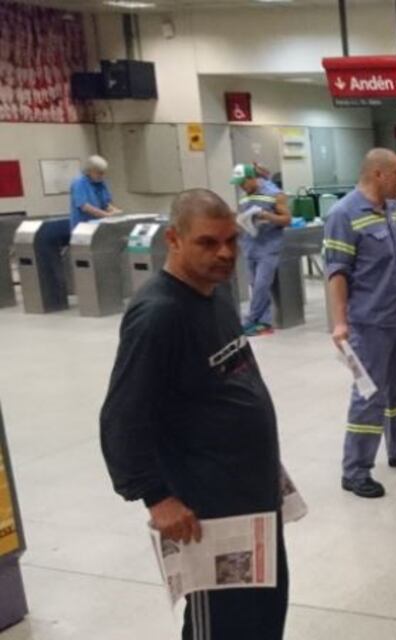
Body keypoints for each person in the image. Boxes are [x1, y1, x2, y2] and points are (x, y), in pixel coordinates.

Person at [100, 189, 288, 640]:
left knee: (262, 619)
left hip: (252, 499)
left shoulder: (216, 293)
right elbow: (121, 417)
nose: (224, 253)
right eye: (208, 242)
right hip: (210, 513)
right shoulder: (159, 315)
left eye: (231, 240)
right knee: (221, 625)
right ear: (174, 239)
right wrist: (156, 497)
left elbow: (233, 379)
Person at [323, 148, 396, 499]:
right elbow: (336, 272)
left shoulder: (392, 210)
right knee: (369, 395)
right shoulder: (344, 214)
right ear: (378, 174)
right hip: (367, 322)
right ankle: (356, 469)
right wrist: (339, 322)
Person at [231, 163, 292, 337]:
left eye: (243, 183)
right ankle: (264, 323)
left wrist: (268, 216)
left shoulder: (274, 194)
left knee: (261, 285)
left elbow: (287, 219)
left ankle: (251, 319)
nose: (241, 187)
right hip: (250, 245)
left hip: (268, 246)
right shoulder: (245, 197)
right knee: (255, 284)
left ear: (252, 178)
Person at [69, 155, 121, 229]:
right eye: (99, 173)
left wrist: (116, 212)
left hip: (98, 225)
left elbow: (106, 205)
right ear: (90, 171)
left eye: (103, 173)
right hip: (83, 227)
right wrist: (107, 215)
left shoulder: (101, 183)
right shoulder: (79, 183)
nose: (102, 176)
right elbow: (85, 207)